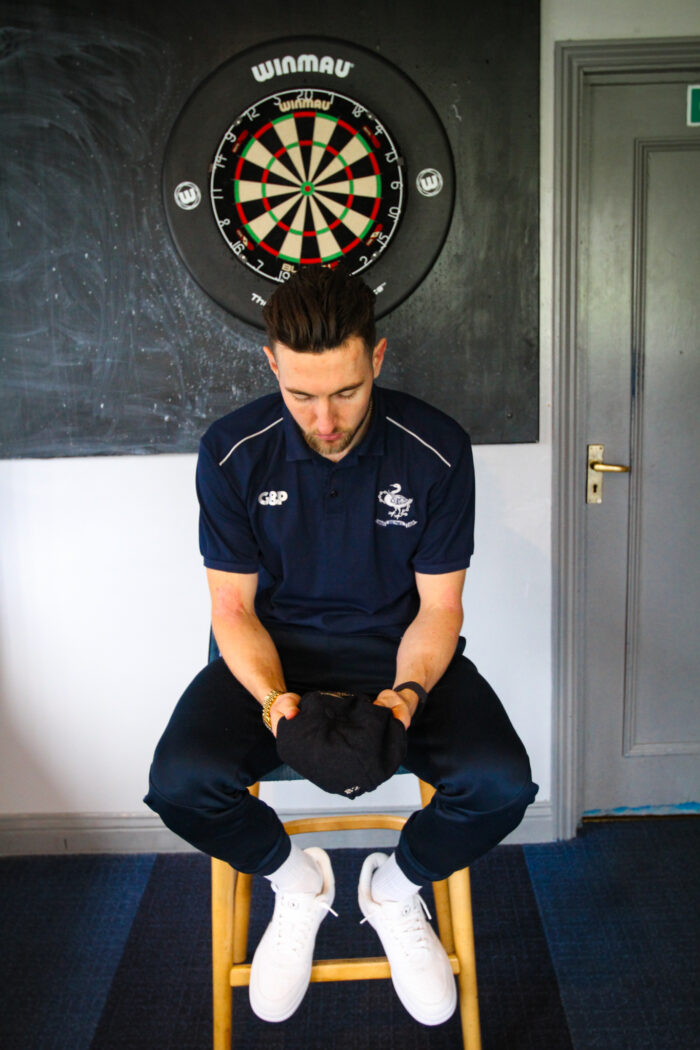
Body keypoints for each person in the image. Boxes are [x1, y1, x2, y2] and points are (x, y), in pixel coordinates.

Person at [145, 266, 537, 1027]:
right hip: (274, 653)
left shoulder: (438, 448)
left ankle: (394, 891)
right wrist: (271, 703)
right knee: (180, 783)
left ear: (377, 359)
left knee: (501, 785)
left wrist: (409, 694)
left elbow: (441, 607)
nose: (324, 418)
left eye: (346, 392)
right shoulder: (231, 452)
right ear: (272, 367)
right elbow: (230, 606)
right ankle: (300, 883)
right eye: (302, 394)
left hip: (401, 655)